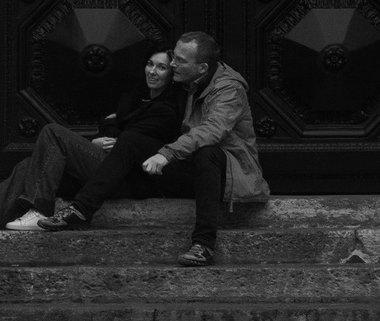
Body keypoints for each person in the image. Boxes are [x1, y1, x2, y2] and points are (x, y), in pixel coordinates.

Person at [44, 29, 268, 267]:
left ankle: (204, 244)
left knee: (207, 153)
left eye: (180, 60)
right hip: (189, 169)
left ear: (202, 67)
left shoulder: (229, 90)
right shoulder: (189, 83)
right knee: (132, 139)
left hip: (227, 176)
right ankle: (81, 210)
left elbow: (212, 130)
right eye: (174, 56)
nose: (172, 64)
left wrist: (166, 154)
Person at [0, 50, 181, 230]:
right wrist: (102, 136)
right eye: (150, 64)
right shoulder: (136, 98)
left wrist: (110, 129)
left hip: (126, 177)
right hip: (106, 164)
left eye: (161, 67)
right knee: (31, 165)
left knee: (53, 132)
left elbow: (124, 138)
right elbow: (111, 129)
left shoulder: (167, 109)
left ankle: (39, 209)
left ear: (172, 74)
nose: (152, 71)